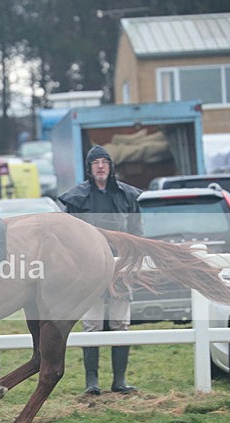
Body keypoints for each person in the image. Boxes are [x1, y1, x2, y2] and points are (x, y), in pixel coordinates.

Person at [58, 145, 143, 395]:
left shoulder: (127, 196)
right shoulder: (77, 198)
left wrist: (132, 262)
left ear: (111, 166)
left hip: (121, 271)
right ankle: (91, 383)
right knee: (92, 326)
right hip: (89, 274)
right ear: (89, 167)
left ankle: (120, 381)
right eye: (96, 162)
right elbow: (68, 238)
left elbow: (137, 233)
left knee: (120, 325)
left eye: (105, 162)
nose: (101, 166)